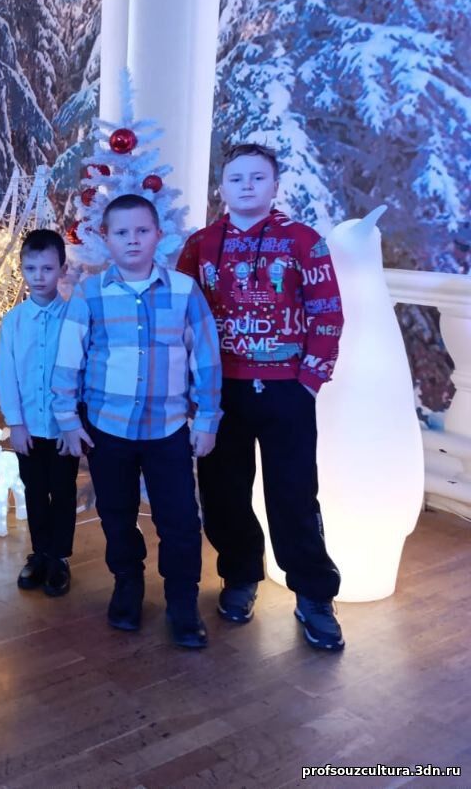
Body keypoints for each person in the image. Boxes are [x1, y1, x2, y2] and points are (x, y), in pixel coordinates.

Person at [177, 142, 345, 652]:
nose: (246, 186)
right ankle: (239, 575)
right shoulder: (201, 245)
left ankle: (314, 594)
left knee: (293, 493)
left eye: (257, 177)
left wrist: (309, 380)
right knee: (223, 491)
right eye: (236, 178)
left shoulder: (303, 241)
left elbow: (327, 312)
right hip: (220, 391)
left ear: (274, 185)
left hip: (286, 390)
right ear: (222, 188)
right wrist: (192, 387)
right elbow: (182, 317)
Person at [53, 194, 222, 649]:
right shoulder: (90, 294)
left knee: (180, 520)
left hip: (169, 430)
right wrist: (67, 418)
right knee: (116, 514)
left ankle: (182, 602)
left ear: (158, 236)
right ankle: (127, 584)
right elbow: (69, 358)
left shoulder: (185, 292)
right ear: (106, 238)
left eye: (142, 231)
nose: (133, 240)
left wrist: (207, 418)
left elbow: (206, 358)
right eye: (122, 232)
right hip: (108, 429)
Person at [0, 228, 78, 597]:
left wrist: (71, 424)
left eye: (47, 268)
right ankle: (40, 552)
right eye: (31, 269)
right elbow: (7, 375)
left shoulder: (74, 318)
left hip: (63, 429)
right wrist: (15, 423)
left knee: (62, 491)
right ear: (22, 269)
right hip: (28, 428)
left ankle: (59, 557)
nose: (39, 276)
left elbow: (79, 371)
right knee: (35, 490)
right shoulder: (13, 322)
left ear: (62, 269)